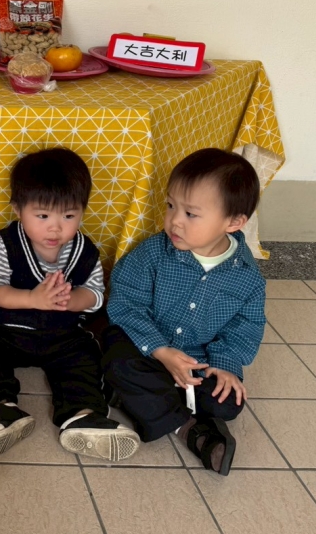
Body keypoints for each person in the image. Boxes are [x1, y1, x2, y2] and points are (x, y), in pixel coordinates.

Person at [0, 148, 140, 461]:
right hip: (5, 330)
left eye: (68, 216)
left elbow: (96, 294)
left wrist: (73, 300)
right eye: (43, 216)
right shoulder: (1, 244)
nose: (55, 228)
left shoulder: (85, 251)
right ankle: (1, 410)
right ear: (18, 209)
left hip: (61, 334)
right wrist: (32, 298)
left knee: (85, 354)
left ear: (82, 212)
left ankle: (83, 414)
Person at [103, 148, 266, 476]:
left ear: (234, 222)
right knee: (116, 357)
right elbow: (125, 304)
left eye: (191, 213)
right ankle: (188, 428)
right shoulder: (152, 253)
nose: (174, 220)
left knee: (228, 401)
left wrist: (225, 366)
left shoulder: (247, 277)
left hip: (197, 360)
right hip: (147, 349)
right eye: (170, 205)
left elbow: (244, 326)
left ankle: (142, 400)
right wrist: (161, 351)